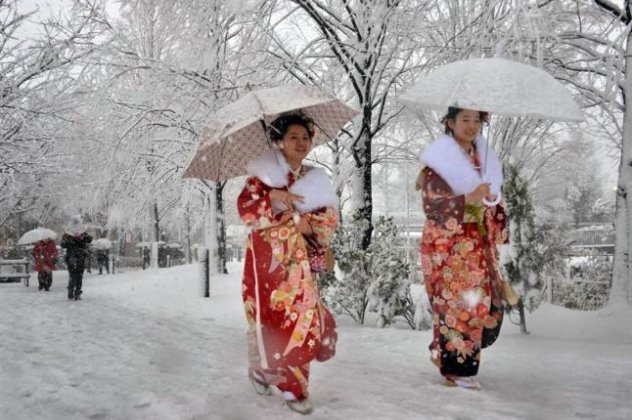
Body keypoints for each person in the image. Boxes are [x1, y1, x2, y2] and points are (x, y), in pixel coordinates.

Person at [237, 113, 338, 415]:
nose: (300, 142)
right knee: (268, 320)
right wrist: (273, 199)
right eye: (293, 136)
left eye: (305, 137)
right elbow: (247, 213)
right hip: (267, 263)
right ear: (278, 141)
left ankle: (295, 387)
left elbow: (329, 219)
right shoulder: (261, 178)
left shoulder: (315, 178)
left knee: (302, 320)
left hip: (300, 267)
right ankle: (262, 369)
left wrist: (308, 224)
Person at [417, 107, 509, 390]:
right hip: (452, 247)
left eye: (476, 120)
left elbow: (494, 207)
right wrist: (468, 198)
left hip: (477, 245)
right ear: (450, 122)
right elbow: (432, 205)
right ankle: (456, 370)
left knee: (476, 305)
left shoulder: (485, 161)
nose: (472, 125)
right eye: (465, 119)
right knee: (458, 306)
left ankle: (446, 355)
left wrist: (492, 203)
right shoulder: (439, 162)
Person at [61, 215, 93, 301]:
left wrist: (82, 237)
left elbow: (90, 239)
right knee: (75, 275)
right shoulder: (68, 233)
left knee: (77, 275)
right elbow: (63, 245)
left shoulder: (82, 231)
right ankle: (74, 292)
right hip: (73, 256)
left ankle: (75, 292)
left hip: (79, 256)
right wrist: (66, 238)